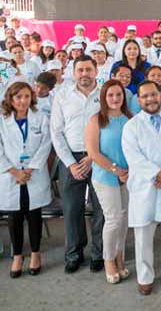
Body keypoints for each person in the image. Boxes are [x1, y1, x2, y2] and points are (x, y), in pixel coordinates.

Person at [121, 80, 161, 295]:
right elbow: (134, 158)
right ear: (139, 100)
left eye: (154, 94)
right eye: (145, 96)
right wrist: (158, 173)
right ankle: (145, 277)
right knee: (143, 236)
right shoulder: (131, 126)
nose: (150, 99)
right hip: (145, 186)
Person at [50, 55, 105, 274]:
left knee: (101, 209)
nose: (84, 74)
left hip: (99, 157)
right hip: (70, 159)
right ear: (73, 73)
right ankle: (74, 254)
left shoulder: (104, 94)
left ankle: (99, 253)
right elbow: (56, 133)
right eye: (80, 70)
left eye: (88, 69)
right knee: (72, 209)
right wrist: (71, 164)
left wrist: (93, 156)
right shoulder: (62, 95)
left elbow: (110, 128)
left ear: (96, 71)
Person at [0, 82, 51, 278]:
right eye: (18, 97)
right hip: (11, 175)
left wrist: (29, 169)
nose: (23, 101)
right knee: (15, 217)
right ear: (11, 99)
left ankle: (36, 254)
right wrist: (15, 171)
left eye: (27, 96)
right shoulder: (2, 120)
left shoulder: (41, 117)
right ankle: (18, 256)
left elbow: (46, 143)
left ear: (32, 98)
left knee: (34, 214)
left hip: (33, 173)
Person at [84, 79, 132, 284]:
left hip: (128, 176)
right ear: (104, 97)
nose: (115, 98)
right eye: (110, 95)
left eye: (118, 94)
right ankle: (109, 260)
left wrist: (128, 171)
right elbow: (93, 153)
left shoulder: (130, 118)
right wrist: (116, 170)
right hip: (106, 176)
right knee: (113, 219)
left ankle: (120, 255)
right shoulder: (96, 120)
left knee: (124, 219)